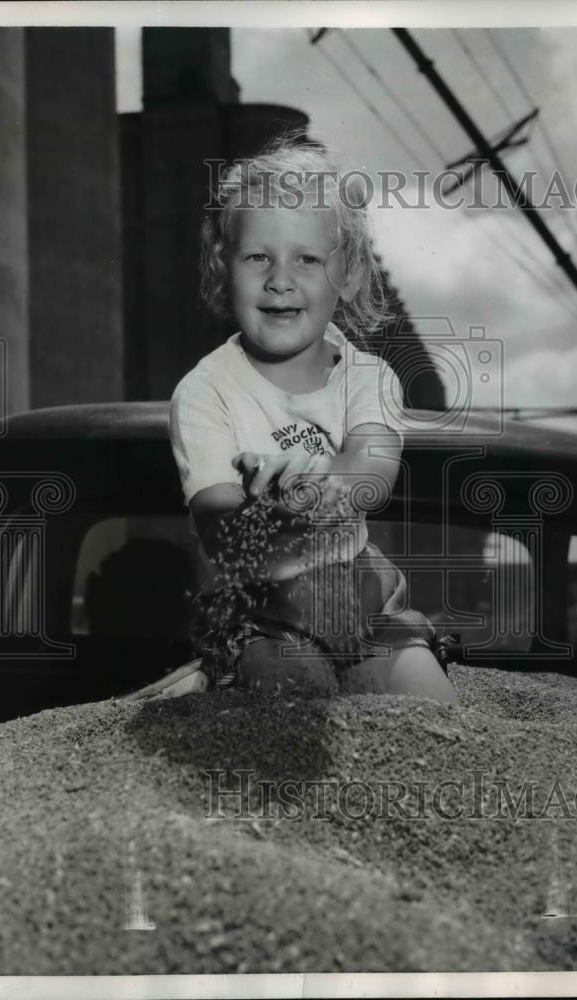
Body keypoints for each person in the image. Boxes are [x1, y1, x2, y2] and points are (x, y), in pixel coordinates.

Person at [169, 135, 458, 705]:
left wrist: (322, 486)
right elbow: (218, 528)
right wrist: (268, 507)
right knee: (289, 697)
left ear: (347, 275)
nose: (281, 278)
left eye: (307, 258)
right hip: (263, 609)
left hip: (362, 602)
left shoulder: (368, 377)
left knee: (432, 705)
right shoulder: (205, 391)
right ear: (222, 271)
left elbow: (374, 469)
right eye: (258, 257)